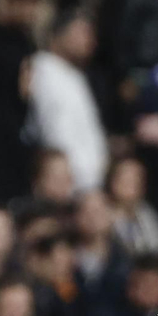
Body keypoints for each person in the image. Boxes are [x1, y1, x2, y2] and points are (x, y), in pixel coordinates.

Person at [29, 11, 106, 193]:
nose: (90, 40)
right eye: (82, 32)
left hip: (91, 184)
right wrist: (68, 177)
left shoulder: (76, 74)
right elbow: (54, 130)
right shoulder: (43, 69)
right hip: (69, 184)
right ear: (58, 35)